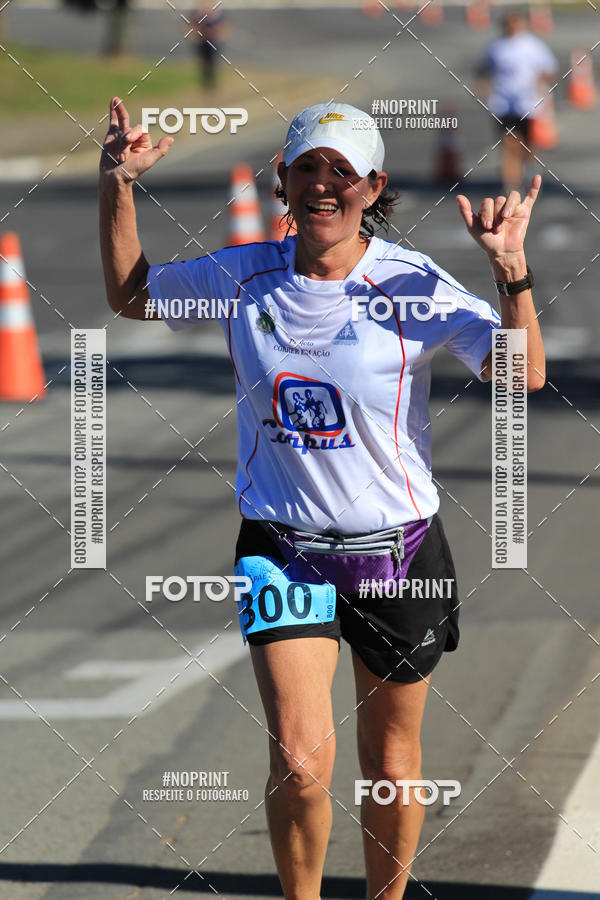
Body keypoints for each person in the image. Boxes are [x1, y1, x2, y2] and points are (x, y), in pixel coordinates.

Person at [99, 97, 545, 899]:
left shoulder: (412, 283)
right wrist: (118, 186)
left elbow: (523, 375)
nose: (324, 186)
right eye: (308, 167)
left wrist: (512, 273)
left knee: (390, 764)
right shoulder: (242, 277)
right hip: (283, 547)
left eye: (344, 172)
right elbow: (134, 296)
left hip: (399, 552)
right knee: (302, 763)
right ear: (283, 180)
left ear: (374, 187)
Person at [478, 8, 558, 192]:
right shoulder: (496, 46)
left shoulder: (533, 46)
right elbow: (483, 67)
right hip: (503, 102)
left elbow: (549, 69)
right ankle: (511, 185)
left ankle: (528, 167)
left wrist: (540, 84)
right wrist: (483, 85)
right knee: (508, 142)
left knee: (527, 143)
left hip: (527, 102)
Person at [189, 2, 231, 90]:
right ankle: (205, 84)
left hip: (213, 42)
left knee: (212, 63)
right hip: (202, 42)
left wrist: (219, 34)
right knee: (204, 63)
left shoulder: (218, 14)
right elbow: (192, 25)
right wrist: (195, 35)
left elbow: (225, 26)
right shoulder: (198, 14)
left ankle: (212, 85)